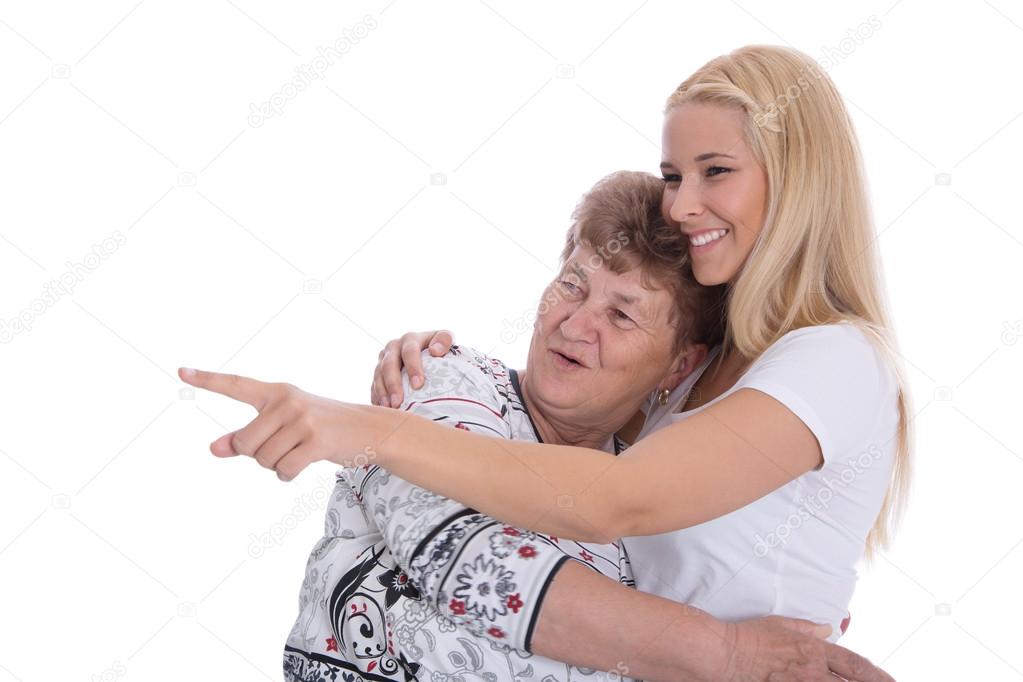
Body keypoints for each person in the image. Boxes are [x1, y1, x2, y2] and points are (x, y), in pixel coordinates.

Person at [179, 45, 901, 681]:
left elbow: (612, 500)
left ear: (799, 178)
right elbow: (535, 465)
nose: (683, 205)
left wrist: (366, 429)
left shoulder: (833, 358)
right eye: (673, 175)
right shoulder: (675, 388)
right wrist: (427, 382)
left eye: (715, 172)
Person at [282, 169, 728, 680]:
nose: (576, 325)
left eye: (622, 316)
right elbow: (467, 566)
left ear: (680, 366)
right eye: (572, 285)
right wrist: (726, 652)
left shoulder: (643, 505)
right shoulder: (443, 377)